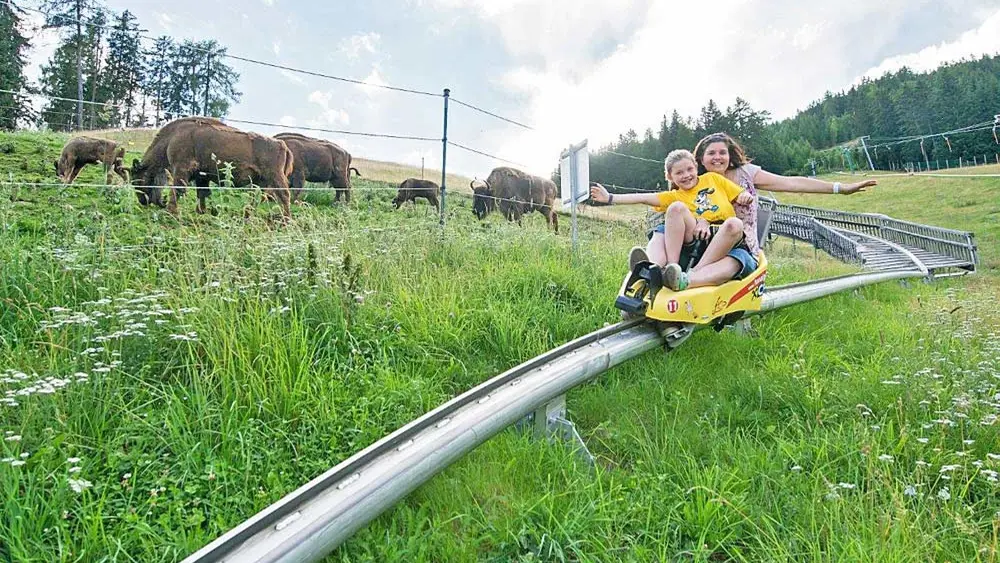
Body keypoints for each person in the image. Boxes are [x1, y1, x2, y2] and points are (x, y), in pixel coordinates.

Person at [667, 132, 877, 258]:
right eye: (711, 153)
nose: (718, 157)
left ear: (730, 156)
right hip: (700, 240)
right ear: (701, 160)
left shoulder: (746, 174)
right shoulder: (690, 180)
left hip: (738, 240)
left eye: (722, 152)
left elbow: (792, 183)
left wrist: (840, 188)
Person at [590, 149, 757, 291]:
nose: (686, 175)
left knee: (734, 224)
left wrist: (744, 196)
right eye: (679, 173)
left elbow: (740, 193)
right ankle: (669, 269)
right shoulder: (675, 196)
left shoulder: (713, 179)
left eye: (689, 169)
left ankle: (689, 276)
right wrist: (610, 198)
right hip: (697, 242)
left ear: (696, 167)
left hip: (726, 241)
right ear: (670, 176)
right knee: (675, 208)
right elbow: (643, 197)